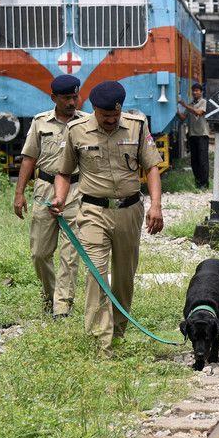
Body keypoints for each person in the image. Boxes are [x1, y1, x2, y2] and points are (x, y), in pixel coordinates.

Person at [48, 80, 164, 354]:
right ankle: (101, 343)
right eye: (105, 117)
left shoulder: (137, 126)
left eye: (115, 115)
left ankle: (118, 334)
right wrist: (60, 198)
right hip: (93, 212)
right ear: (94, 109)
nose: (111, 121)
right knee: (97, 275)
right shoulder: (76, 131)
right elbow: (63, 172)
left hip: (129, 211)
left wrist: (156, 205)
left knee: (124, 277)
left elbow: (152, 168)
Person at [14, 75, 87, 317]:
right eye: (66, 98)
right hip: (45, 190)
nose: (72, 102)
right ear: (53, 97)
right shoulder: (40, 122)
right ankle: (51, 295)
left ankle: (62, 306)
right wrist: (19, 193)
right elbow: (29, 158)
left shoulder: (87, 122)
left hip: (76, 190)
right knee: (40, 253)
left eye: (75, 96)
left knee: (70, 251)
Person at [178, 83, 210, 188]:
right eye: (194, 91)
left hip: (202, 135)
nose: (195, 92)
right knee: (194, 160)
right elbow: (183, 117)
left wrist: (185, 106)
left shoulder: (204, 102)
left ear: (201, 92)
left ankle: (205, 183)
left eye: (197, 91)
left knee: (203, 159)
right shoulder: (191, 104)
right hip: (192, 135)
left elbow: (198, 112)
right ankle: (198, 181)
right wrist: (176, 111)